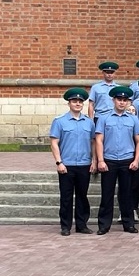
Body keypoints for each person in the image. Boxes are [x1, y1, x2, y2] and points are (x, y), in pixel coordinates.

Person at [94, 85, 139, 235]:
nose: (122, 102)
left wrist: (136, 160)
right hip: (109, 160)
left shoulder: (133, 119)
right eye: (119, 99)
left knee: (127, 194)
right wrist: (100, 160)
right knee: (107, 194)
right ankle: (104, 225)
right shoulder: (104, 118)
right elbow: (99, 140)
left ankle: (129, 224)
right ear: (113, 100)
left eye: (125, 100)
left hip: (127, 160)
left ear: (128, 102)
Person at [50, 88, 96, 236]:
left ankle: (82, 225)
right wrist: (59, 162)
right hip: (67, 165)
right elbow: (54, 143)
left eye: (80, 102)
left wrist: (94, 160)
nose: (77, 104)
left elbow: (93, 142)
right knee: (66, 197)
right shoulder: (59, 121)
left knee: (82, 197)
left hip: (84, 164)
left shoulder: (89, 123)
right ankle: (65, 226)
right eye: (74, 101)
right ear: (69, 103)